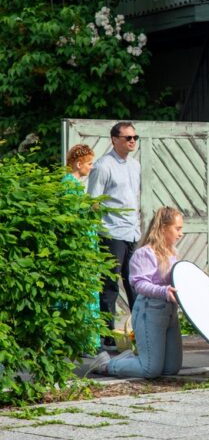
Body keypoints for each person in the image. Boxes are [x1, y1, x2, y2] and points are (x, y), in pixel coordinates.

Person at [96, 207, 184, 378]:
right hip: (149, 311)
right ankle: (107, 364)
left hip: (169, 312)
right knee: (149, 370)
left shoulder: (172, 253)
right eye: (177, 228)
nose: (180, 234)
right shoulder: (144, 253)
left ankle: (130, 358)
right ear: (163, 227)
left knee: (170, 369)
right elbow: (139, 284)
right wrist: (164, 291)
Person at [87, 121, 141, 351]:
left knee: (135, 282)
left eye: (134, 138)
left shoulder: (135, 165)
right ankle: (107, 336)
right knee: (110, 285)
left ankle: (141, 330)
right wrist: (103, 229)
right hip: (112, 233)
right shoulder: (103, 166)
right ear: (114, 140)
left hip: (132, 232)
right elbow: (93, 201)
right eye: (128, 138)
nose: (132, 141)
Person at [63, 144, 101, 353]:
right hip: (78, 246)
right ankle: (81, 341)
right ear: (78, 164)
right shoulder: (69, 185)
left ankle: (86, 341)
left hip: (86, 245)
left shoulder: (77, 185)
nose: (91, 167)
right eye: (89, 163)